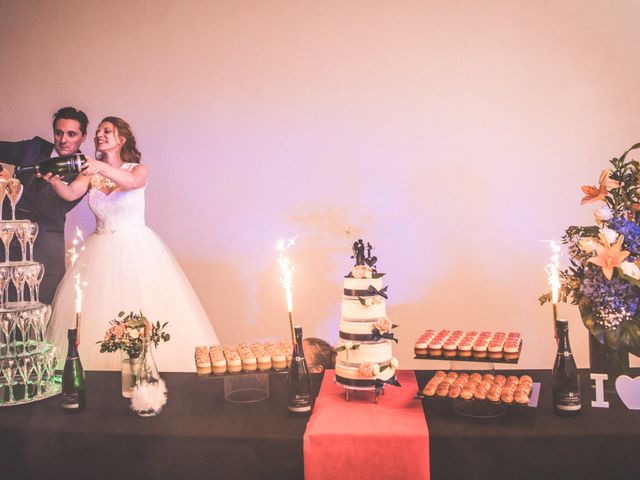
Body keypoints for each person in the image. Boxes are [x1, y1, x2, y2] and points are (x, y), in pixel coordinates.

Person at [44, 116, 218, 372]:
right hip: (100, 252)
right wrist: (55, 181)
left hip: (138, 250)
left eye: (107, 131)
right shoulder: (89, 172)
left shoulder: (138, 169)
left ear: (121, 139)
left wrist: (98, 166)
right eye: (99, 132)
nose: (99, 135)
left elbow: (131, 183)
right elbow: (71, 193)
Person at [0, 107, 89, 303]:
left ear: (83, 137)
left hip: (43, 256)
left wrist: (14, 187)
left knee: (37, 324)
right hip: (5, 247)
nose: (63, 139)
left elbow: (53, 210)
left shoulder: (83, 172)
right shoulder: (34, 148)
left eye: (71, 134)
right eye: (59, 132)